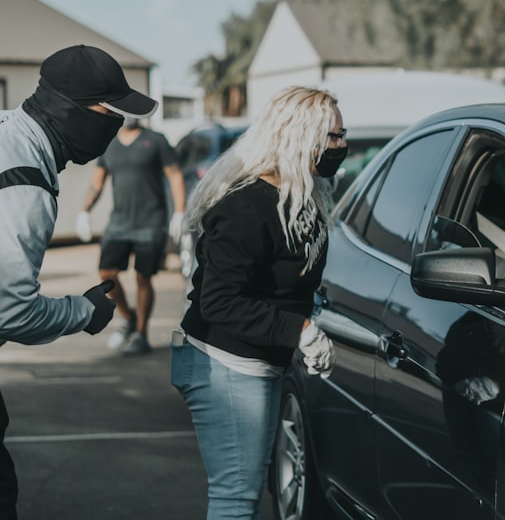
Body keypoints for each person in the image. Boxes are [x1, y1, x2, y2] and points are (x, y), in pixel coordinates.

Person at [170, 85, 344, 519]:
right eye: (333, 137)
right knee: (236, 497)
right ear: (298, 137)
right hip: (226, 365)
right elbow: (220, 302)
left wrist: (309, 316)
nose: (343, 146)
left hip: (257, 363)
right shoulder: (247, 205)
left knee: (247, 489)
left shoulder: (300, 194)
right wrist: (300, 331)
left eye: (343, 134)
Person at [0, 44, 157, 517]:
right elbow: (9, 309)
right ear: (69, 109)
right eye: (111, 114)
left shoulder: (8, 130)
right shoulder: (25, 183)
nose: (118, 126)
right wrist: (84, 312)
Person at [76, 119, 186, 355]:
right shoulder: (109, 144)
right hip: (119, 223)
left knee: (142, 277)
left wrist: (179, 212)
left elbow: (175, 176)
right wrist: (84, 211)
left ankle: (141, 333)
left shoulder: (155, 140)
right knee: (107, 274)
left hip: (151, 222)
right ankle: (128, 317)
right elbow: (97, 183)